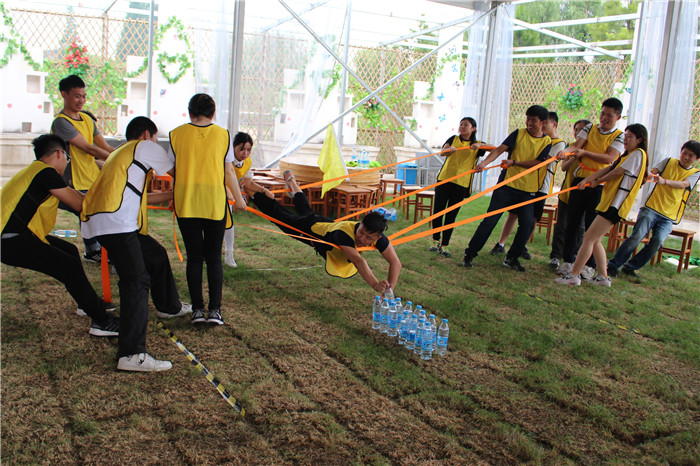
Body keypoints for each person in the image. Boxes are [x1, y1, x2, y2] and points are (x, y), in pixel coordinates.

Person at [81, 116, 196, 371]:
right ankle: (132, 353)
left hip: (105, 220)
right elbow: (180, 172)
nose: (156, 145)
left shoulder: (121, 155)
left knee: (154, 254)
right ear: (147, 135)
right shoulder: (144, 147)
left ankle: (169, 307)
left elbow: (143, 197)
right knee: (136, 280)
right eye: (156, 139)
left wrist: (173, 196)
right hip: (117, 222)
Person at [1, 134, 119, 338]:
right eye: (68, 157)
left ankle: (88, 303)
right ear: (59, 153)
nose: (67, 163)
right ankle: (101, 321)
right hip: (11, 240)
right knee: (68, 266)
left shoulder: (36, 170)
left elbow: (78, 196)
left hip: (16, 235)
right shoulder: (46, 173)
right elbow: (78, 204)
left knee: (70, 251)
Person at [253, 170, 402, 293]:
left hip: (324, 224)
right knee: (281, 217)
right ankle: (256, 194)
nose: (362, 238)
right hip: (309, 229)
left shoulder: (378, 235)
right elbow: (358, 261)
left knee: (307, 211)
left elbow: (395, 262)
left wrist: (389, 290)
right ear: (360, 223)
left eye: (368, 237)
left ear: (378, 236)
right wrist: (376, 284)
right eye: (361, 232)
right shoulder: (343, 235)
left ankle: (292, 182)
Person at [169, 94, 247, 326]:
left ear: (190, 112)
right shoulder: (223, 136)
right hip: (214, 204)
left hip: (187, 204)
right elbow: (229, 172)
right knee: (213, 257)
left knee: (194, 258)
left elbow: (172, 168)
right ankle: (215, 311)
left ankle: (197, 311)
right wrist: (240, 199)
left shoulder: (176, 135)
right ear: (213, 113)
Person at [461, 105, 552, 272]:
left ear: (543, 123)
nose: (529, 123)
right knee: (490, 221)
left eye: (533, 120)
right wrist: (483, 163)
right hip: (506, 187)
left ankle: (511, 258)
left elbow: (539, 163)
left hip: (527, 191)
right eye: (527, 119)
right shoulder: (518, 133)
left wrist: (515, 163)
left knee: (527, 225)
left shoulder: (547, 142)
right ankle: (470, 254)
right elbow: (499, 150)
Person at [556, 124, 649, 287]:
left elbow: (616, 173)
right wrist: (587, 180)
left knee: (589, 238)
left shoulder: (638, 154)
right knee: (596, 240)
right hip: (609, 204)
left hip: (616, 205)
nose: (625, 140)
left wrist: (596, 182)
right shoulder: (627, 155)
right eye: (625, 136)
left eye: (630, 137)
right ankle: (603, 277)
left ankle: (574, 274)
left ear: (640, 140)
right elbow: (609, 168)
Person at [607, 140, 700, 278]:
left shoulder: (695, 173)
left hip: (669, 216)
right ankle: (613, 266)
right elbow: (651, 172)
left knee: (657, 242)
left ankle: (630, 267)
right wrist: (649, 175)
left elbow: (683, 184)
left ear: (697, 159)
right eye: (684, 153)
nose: (686, 157)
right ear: (680, 152)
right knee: (636, 237)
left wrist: (664, 181)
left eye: (691, 155)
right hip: (651, 208)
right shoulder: (668, 161)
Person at [51, 74, 115, 263]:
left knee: (90, 212)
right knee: (88, 212)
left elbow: (104, 146)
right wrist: (117, 158)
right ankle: (94, 250)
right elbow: (88, 148)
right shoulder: (61, 122)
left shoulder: (87, 119)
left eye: (84, 96)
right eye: (77, 96)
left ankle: (96, 250)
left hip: (90, 177)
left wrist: (124, 154)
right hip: (71, 180)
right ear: (64, 94)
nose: (81, 100)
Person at [558, 98, 624, 279]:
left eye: (609, 115)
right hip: (579, 181)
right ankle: (568, 261)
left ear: (617, 117)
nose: (604, 118)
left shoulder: (619, 135)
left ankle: (589, 266)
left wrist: (585, 153)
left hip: (598, 185)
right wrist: (566, 151)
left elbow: (609, 158)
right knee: (572, 222)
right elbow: (576, 146)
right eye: (602, 113)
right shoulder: (589, 128)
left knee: (591, 227)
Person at [490, 111, 566, 260]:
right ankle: (501, 244)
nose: (541, 126)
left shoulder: (558, 144)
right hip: (524, 183)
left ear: (553, 124)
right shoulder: (532, 137)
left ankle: (520, 246)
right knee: (513, 214)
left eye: (546, 123)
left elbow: (540, 161)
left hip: (541, 186)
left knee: (532, 219)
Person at [428, 117, 487, 258]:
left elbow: (496, 148)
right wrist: (449, 150)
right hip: (444, 180)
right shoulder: (454, 139)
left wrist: (480, 146)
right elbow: (442, 152)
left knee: (451, 215)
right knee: (438, 212)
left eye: (466, 125)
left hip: (461, 184)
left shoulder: (478, 144)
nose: (462, 127)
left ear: (473, 129)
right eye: (461, 124)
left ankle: (445, 245)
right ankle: (435, 241)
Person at [223, 132, 276, 268]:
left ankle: (229, 253)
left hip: (230, 197)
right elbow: (219, 177)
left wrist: (264, 190)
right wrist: (230, 192)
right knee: (217, 225)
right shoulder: (224, 159)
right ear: (233, 147)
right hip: (218, 193)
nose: (245, 153)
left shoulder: (247, 162)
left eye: (248, 149)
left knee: (228, 224)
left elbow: (249, 183)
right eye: (241, 149)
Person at [548, 119, 590, 269]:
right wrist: (574, 156)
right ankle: (556, 256)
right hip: (566, 194)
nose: (579, 132)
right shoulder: (570, 147)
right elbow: (564, 167)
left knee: (580, 228)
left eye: (583, 130)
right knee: (562, 226)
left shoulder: (591, 150)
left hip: (583, 195)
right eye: (576, 129)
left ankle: (573, 257)